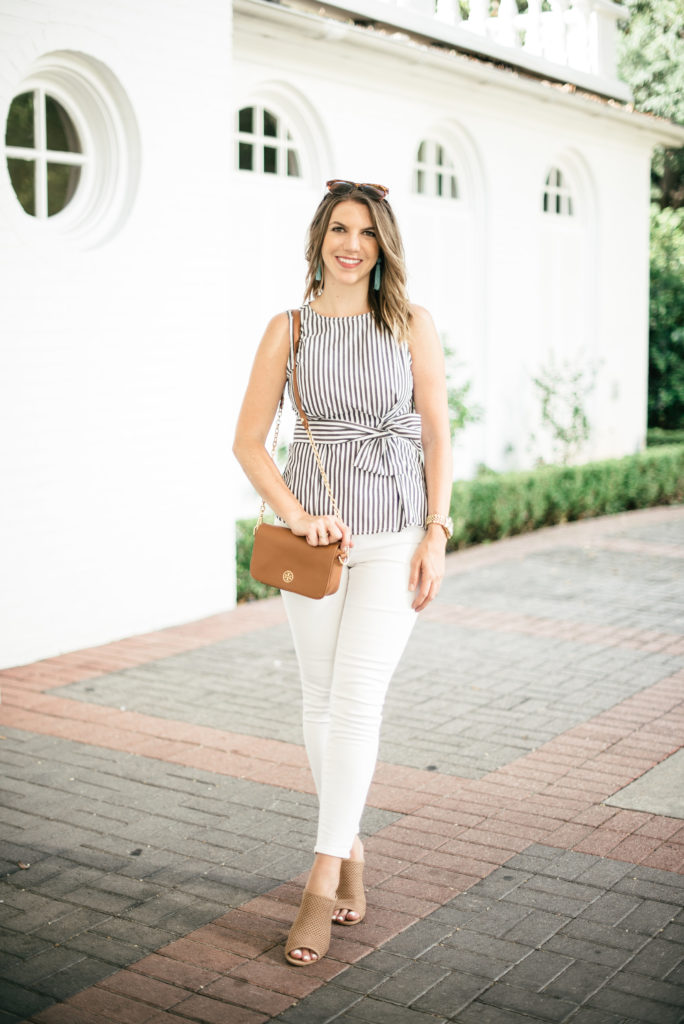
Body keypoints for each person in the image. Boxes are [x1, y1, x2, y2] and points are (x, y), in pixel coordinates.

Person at [233, 179, 453, 966]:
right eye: (337, 228)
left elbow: (437, 435)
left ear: (382, 243)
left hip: (396, 534)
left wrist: (437, 530)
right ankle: (353, 845)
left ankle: (321, 881)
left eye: (364, 231)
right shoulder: (286, 331)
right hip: (317, 542)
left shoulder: (410, 325)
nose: (350, 243)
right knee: (320, 701)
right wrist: (297, 514)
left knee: (357, 700)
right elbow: (250, 442)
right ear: (318, 238)